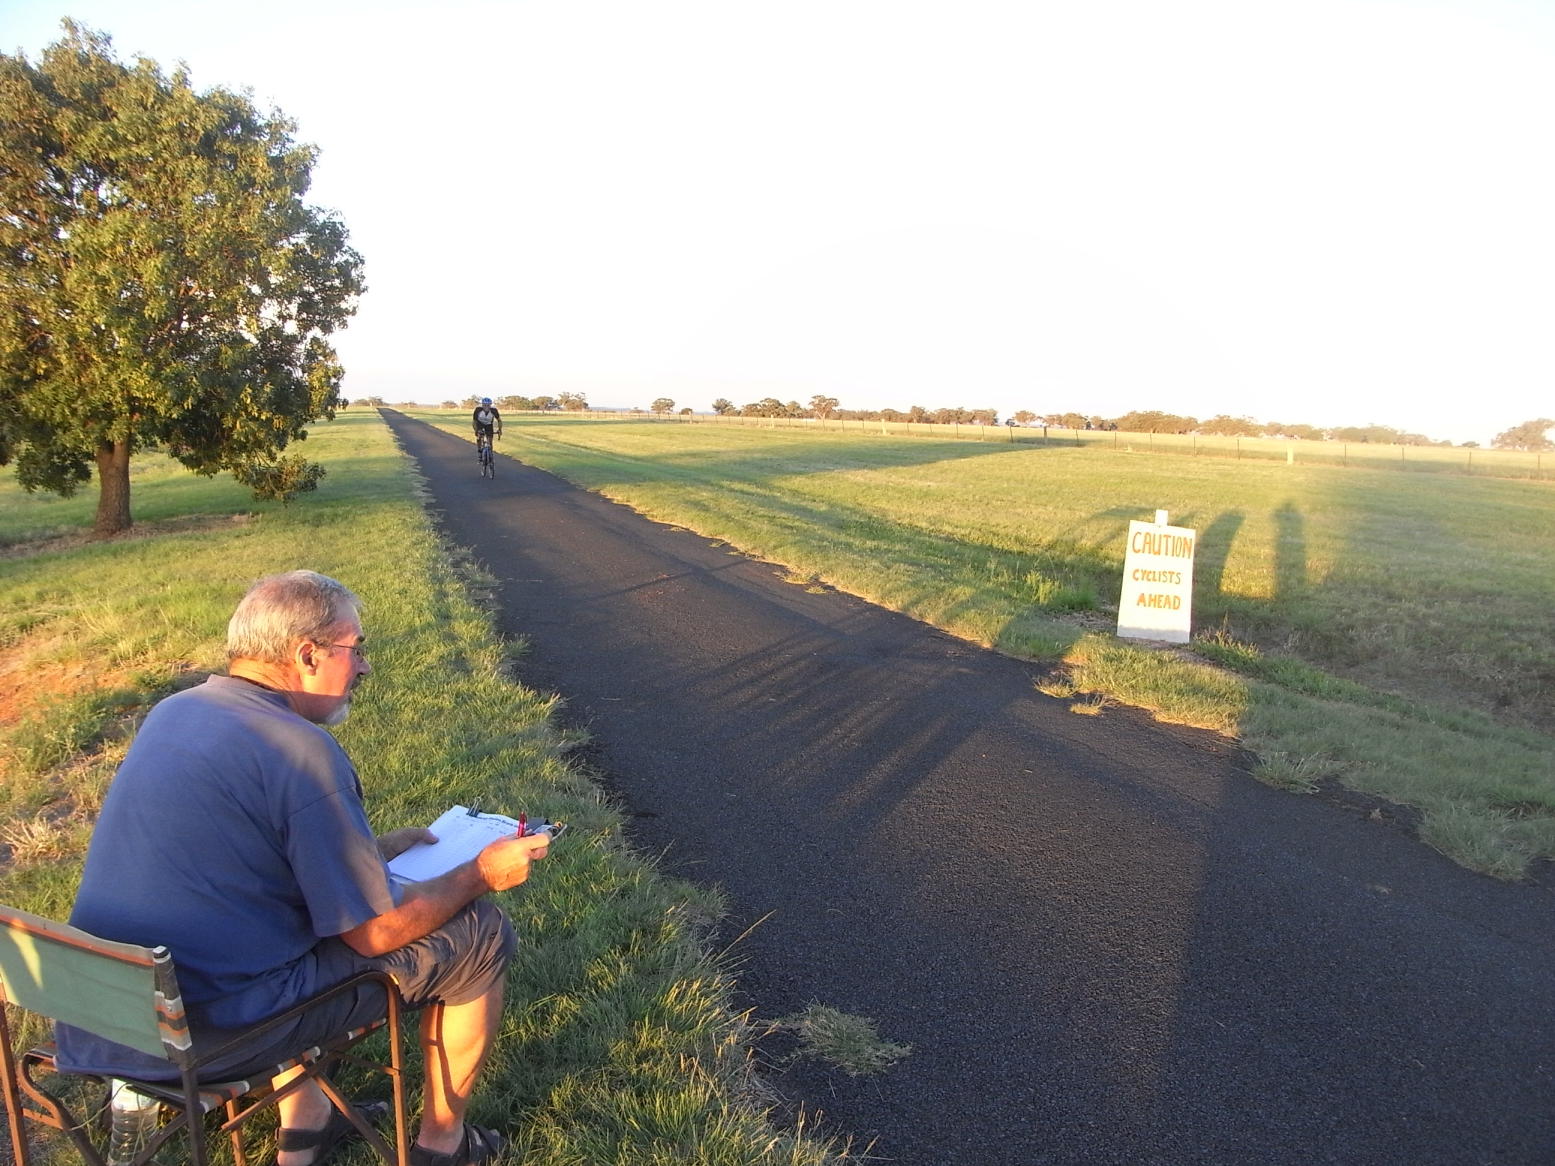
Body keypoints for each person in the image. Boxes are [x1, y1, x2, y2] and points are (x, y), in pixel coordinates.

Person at [57, 571, 549, 1166]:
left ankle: (308, 1123)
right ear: (308, 654)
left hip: (106, 1014)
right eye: (355, 649)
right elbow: (373, 934)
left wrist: (371, 852)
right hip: (203, 1038)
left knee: (305, 930)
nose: (364, 667)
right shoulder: (300, 750)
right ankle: (441, 1148)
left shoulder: (176, 711)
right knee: (481, 933)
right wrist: (479, 874)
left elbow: (244, 864)